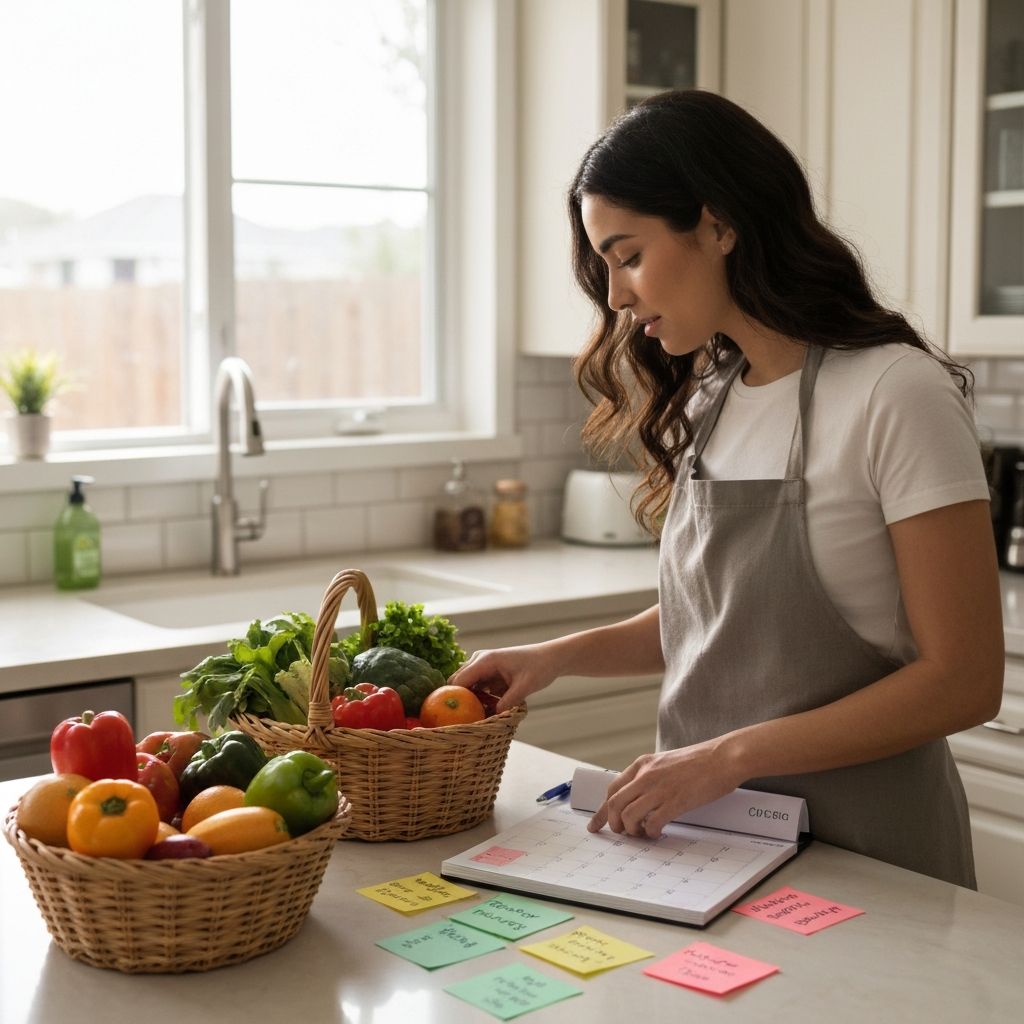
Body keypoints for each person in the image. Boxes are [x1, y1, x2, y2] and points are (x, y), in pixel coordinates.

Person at [451, 89, 1004, 888]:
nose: (616, 296)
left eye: (629, 255)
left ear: (717, 225)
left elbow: (965, 681)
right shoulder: (714, 395)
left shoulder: (895, 393)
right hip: (715, 853)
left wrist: (726, 757)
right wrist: (552, 657)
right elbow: (720, 622)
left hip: (871, 859)